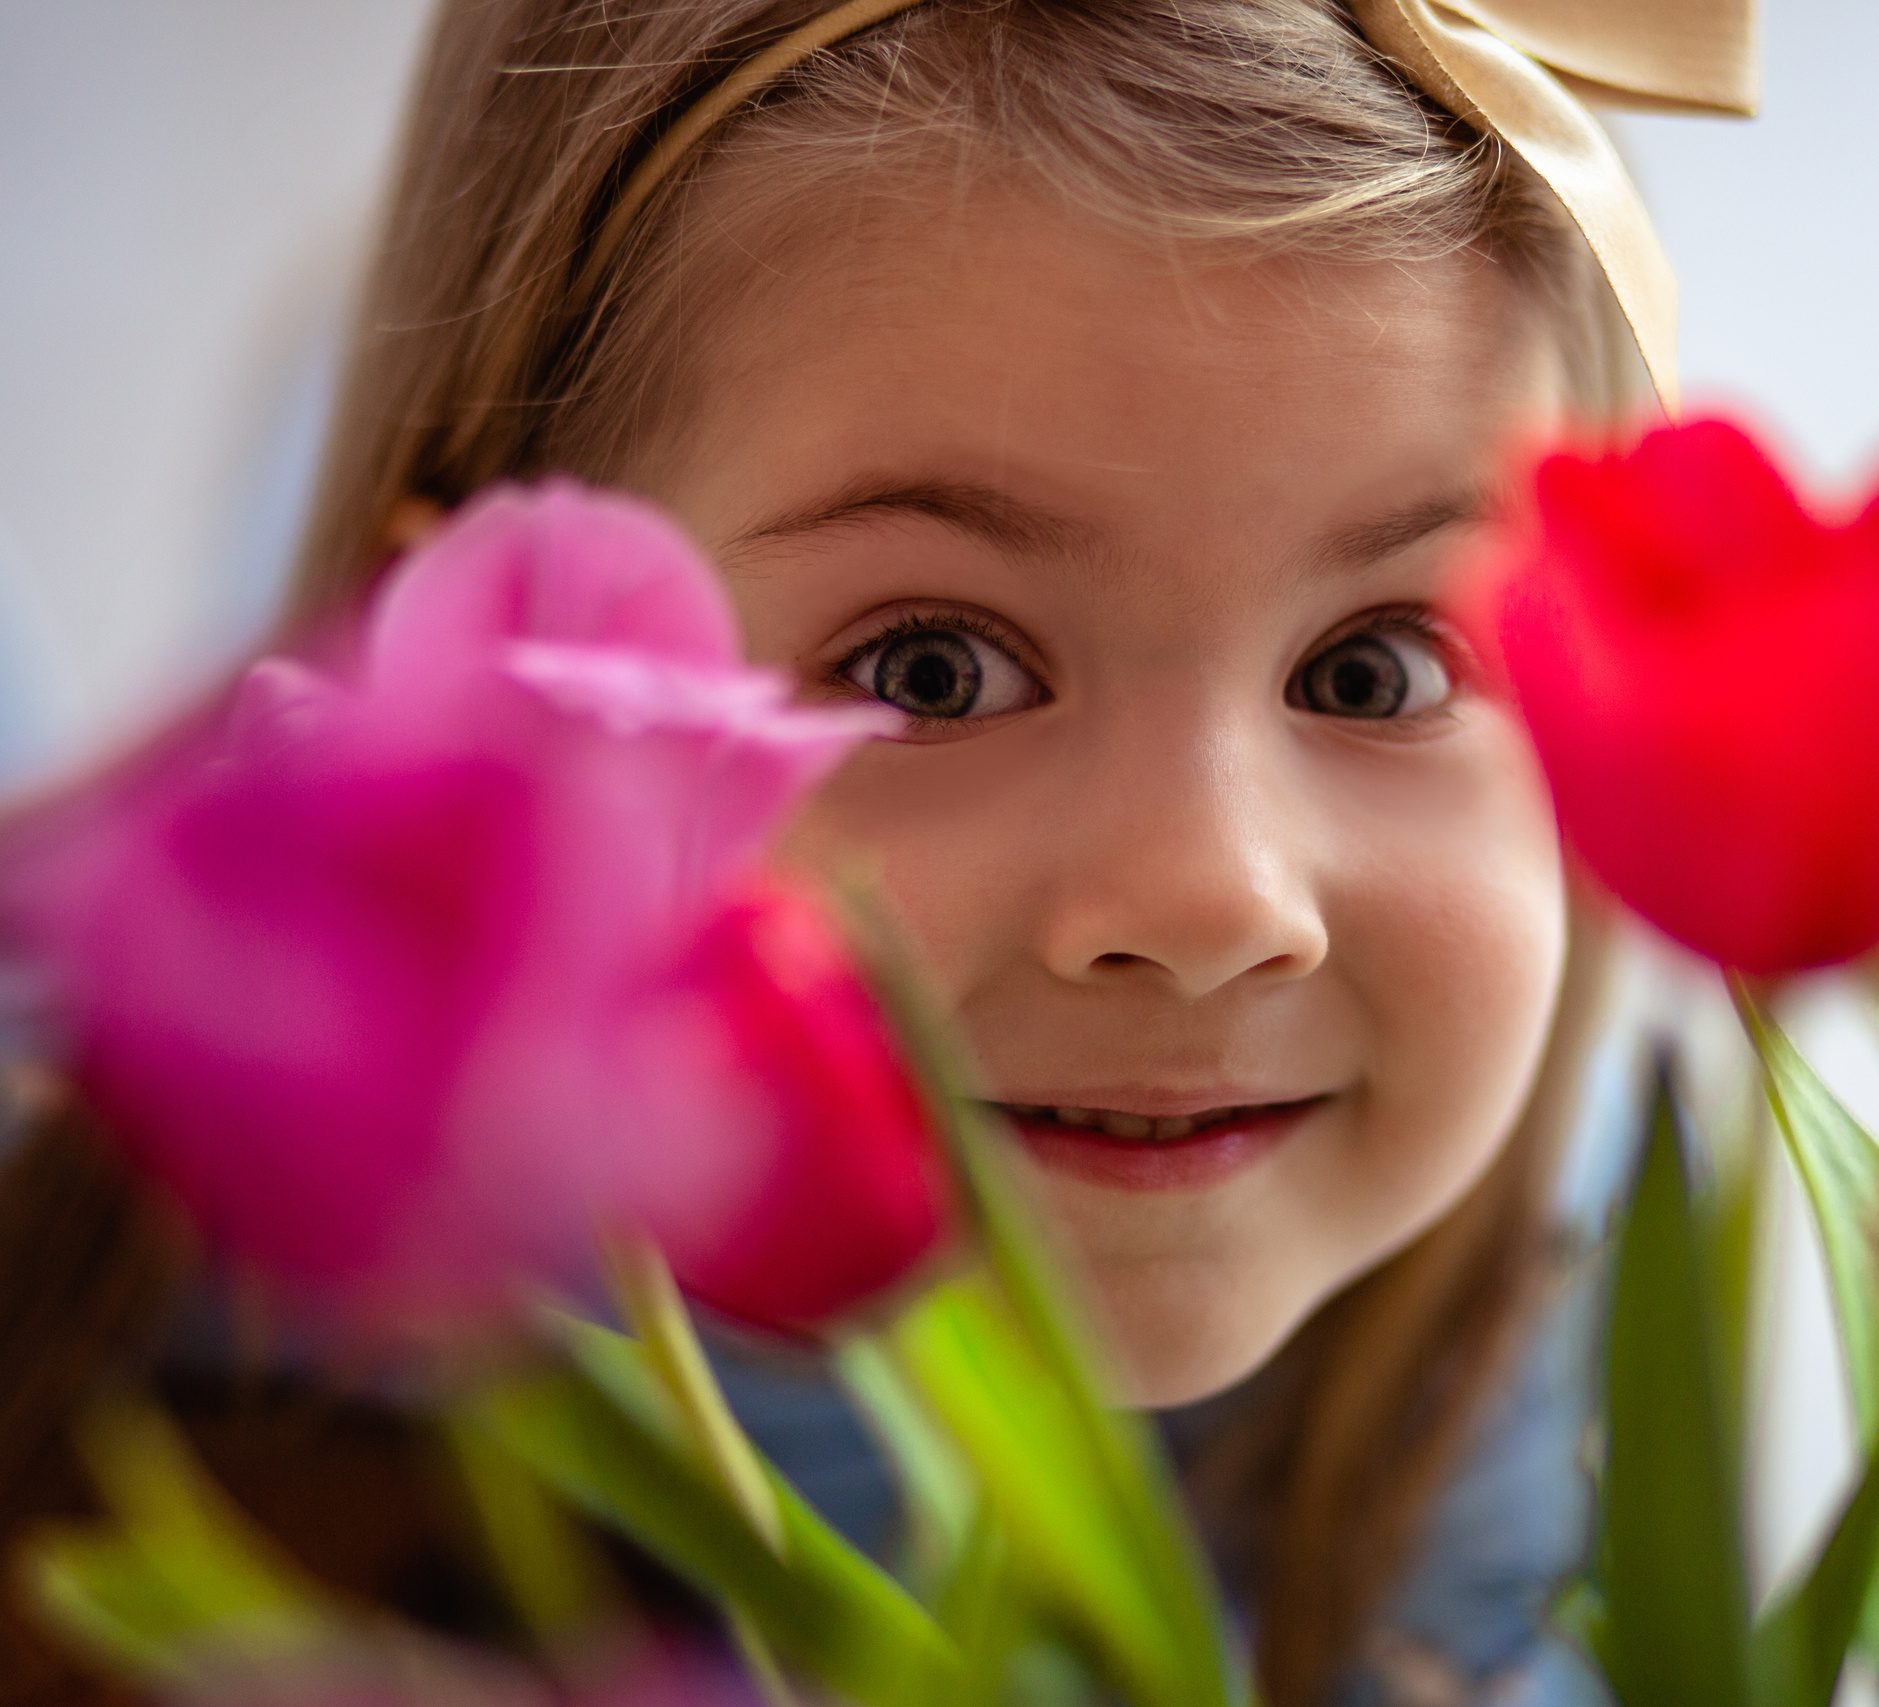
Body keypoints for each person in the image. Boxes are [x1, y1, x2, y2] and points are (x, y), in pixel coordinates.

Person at [1, 4, 1751, 1702]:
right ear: (484, 695)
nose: (1214, 898)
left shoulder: (1537, 1329)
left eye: (1374, 667)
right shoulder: (217, 1496)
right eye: (935, 669)